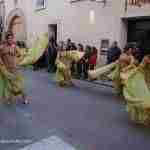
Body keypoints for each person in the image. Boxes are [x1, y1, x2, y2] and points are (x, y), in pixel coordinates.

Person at [0, 32, 29, 104]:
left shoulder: (15, 46)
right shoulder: (2, 47)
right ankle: (9, 99)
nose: (10, 40)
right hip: (6, 70)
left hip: (15, 70)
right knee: (9, 86)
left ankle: (25, 98)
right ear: (6, 39)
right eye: (9, 38)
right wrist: (1, 63)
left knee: (19, 86)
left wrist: (17, 61)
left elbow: (21, 55)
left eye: (11, 38)